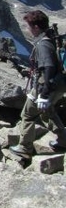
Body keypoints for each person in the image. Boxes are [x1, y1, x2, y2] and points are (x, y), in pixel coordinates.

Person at [10, 10, 66, 159]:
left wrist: (44, 94)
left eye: (28, 26)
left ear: (35, 27)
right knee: (48, 112)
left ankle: (24, 148)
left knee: (27, 115)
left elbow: (49, 68)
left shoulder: (43, 45)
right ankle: (64, 140)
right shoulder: (51, 38)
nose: (27, 29)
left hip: (46, 86)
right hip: (59, 84)